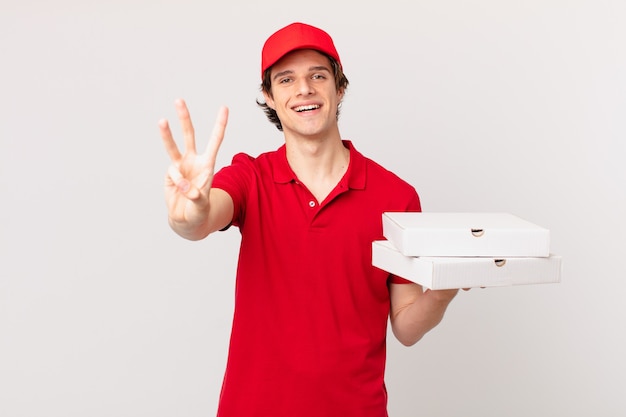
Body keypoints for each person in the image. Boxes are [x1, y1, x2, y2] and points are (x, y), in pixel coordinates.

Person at [159, 22, 460, 417]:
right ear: (268, 96)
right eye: (286, 79)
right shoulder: (250, 177)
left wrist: (443, 289)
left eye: (318, 75)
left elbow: (405, 326)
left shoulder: (396, 197)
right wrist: (190, 212)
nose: (304, 89)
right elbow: (200, 221)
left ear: (340, 88)